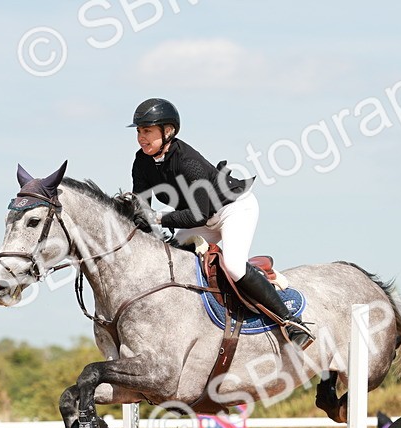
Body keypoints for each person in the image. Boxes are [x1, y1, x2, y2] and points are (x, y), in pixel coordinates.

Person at [128, 98, 315, 349]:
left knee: (235, 266)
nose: (141, 137)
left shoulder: (187, 162)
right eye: (139, 131)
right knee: (172, 259)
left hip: (233, 209)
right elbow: (143, 207)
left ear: (168, 131)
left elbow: (197, 216)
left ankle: (291, 322)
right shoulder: (141, 161)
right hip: (202, 217)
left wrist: (157, 218)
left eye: (147, 131)